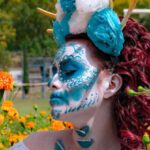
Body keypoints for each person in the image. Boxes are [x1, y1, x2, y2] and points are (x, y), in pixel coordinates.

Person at [10, 1, 150, 150]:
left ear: (111, 84)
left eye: (70, 71)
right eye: (55, 71)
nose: (53, 82)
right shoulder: (32, 146)